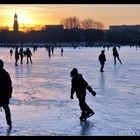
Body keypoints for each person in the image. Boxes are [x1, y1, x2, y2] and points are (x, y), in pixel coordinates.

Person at [0, 59, 13, 128]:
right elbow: (10, 85)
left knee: (7, 110)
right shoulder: (6, 73)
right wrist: (9, 93)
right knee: (7, 110)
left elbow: (9, 84)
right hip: (4, 96)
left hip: (4, 96)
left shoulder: (5, 74)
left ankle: (9, 123)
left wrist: (9, 94)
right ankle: (9, 123)